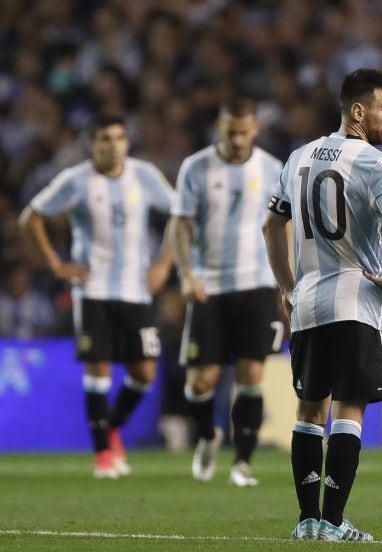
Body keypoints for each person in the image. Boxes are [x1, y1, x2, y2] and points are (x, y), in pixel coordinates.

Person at [262, 68, 382, 541]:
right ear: (359, 111)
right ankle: (332, 522)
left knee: (309, 412)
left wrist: (287, 287)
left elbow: (271, 223)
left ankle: (307, 521)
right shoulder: (378, 164)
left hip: (307, 303)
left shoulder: (298, 157)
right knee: (348, 410)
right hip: (355, 301)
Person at [19, 114, 175, 478]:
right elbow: (30, 218)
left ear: (127, 142)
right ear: (92, 145)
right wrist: (56, 265)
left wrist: (164, 264)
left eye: (119, 138)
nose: (113, 145)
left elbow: (181, 214)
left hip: (136, 290)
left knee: (144, 373)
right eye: (105, 139)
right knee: (98, 367)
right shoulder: (75, 180)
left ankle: (111, 427)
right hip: (93, 289)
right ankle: (103, 452)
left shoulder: (144, 175)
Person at [169, 96, 284, 487]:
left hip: (256, 283)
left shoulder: (272, 169)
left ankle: (243, 463)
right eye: (231, 132)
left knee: (251, 374)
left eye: (243, 132)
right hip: (210, 285)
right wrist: (186, 274)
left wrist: (286, 281)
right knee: (201, 381)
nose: (237, 140)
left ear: (255, 129)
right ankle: (206, 438)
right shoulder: (196, 167)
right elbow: (181, 224)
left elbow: (283, 227)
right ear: (220, 127)